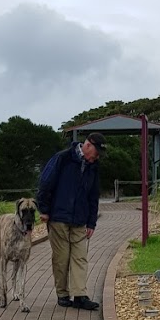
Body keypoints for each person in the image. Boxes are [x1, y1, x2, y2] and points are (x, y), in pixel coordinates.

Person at [36, 131, 104, 310]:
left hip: (80, 218)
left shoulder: (93, 166)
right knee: (62, 257)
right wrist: (43, 209)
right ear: (87, 145)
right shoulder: (63, 158)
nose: (95, 158)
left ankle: (80, 295)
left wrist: (91, 222)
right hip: (58, 216)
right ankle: (63, 294)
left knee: (80, 256)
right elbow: (45, 182)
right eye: (95, 154)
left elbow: (93, 196)